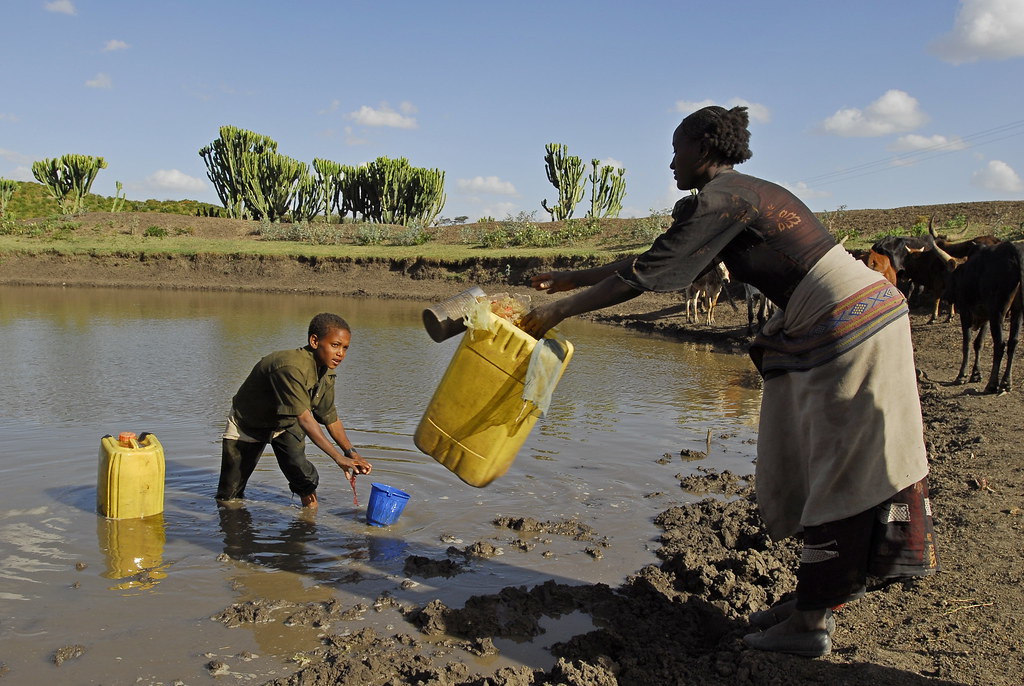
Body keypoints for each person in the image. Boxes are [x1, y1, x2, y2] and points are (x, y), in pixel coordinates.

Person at [520, 106, 939, 658]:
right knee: (831, 463)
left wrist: (559, 310)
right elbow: (657, 261)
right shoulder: (735, 199)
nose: (670, 162)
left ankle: (810, 624)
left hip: (850, 325)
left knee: (836, 469)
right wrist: (573, 277)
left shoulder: (724, 198)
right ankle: (815, 600)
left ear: (703, 147)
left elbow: (646, 279)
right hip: (855, 317)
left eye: (676, 149)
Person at [216, 312, 372, 509]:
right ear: (314, 341)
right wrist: (338, 458)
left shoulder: (326, 373)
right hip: (248, 423)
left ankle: (310, 519)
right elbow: (306, 419)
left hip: (285, 422)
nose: (341, 353)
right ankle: (231, 531)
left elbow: (330, 418)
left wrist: (351, 452)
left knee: (303, 477)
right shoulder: (290, 367)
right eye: (335, 345)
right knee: (229, 495)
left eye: (345, 348)